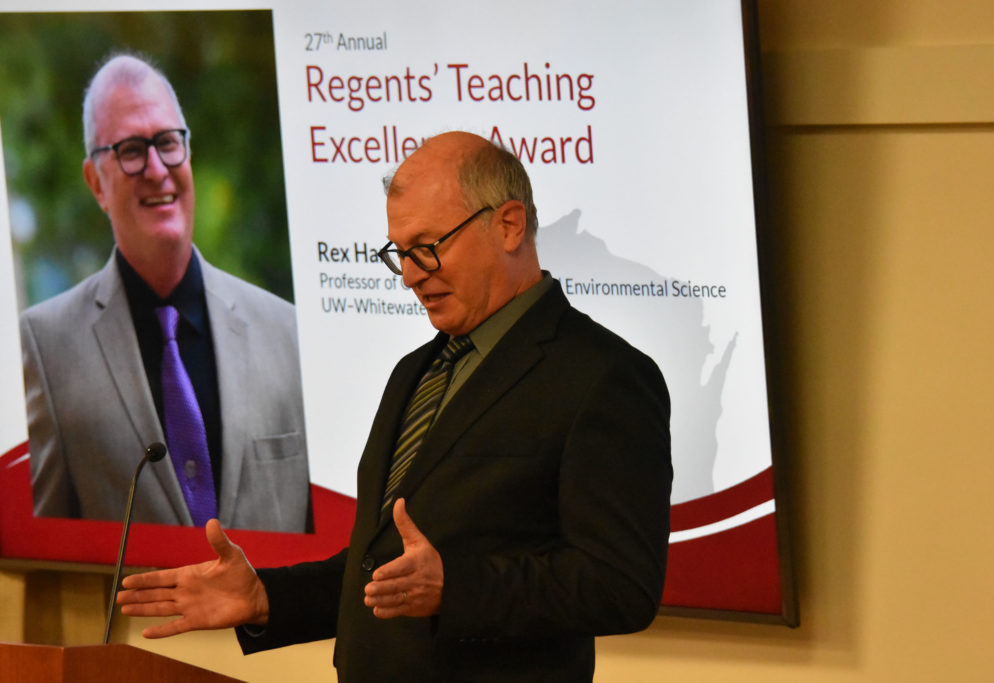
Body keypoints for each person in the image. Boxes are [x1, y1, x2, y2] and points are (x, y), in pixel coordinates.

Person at [117, 131, 671, 681]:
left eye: (427, 247)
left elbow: (619, 586)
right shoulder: (417, 371)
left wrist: (456, 587)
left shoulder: (604, 378)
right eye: (399, 253)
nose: (409, 275)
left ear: (509, 225)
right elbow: (384, 570)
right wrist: (267, 598)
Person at [19, 53, 310, 532]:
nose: (157, 169)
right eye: (132, 149)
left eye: (168, 143)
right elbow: (47, 555)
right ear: (96, 183)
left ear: (188, 153)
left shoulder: (286, 332)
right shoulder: (44, 347)